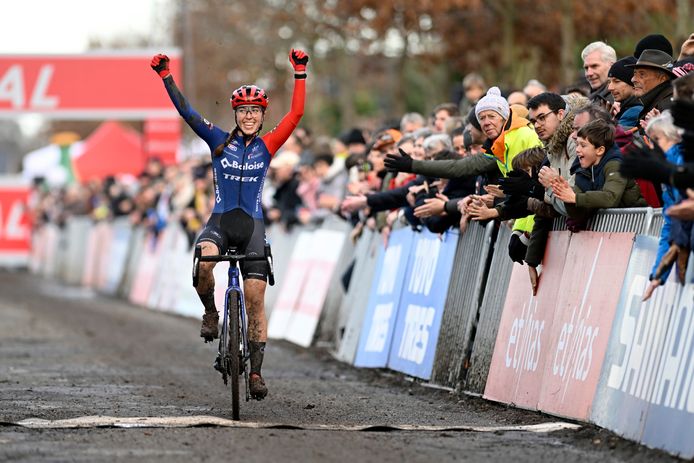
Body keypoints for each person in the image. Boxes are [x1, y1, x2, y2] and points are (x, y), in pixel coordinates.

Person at [150, 48, 309, 400]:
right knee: (205, 259)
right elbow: (186, 112)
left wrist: (300, 72)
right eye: (243, 111)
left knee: (255, 299)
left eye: (254, 111)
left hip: (251, 227)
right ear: (235, 114)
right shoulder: (218, 140)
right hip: (220, 223)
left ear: (262, 115)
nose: (249, 116)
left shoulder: (269, 145)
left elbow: (296, 113)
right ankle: (210, 312)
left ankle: (255, 372)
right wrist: (166, 76)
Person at [551, 119, 646, 220]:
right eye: (577, 144)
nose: (577, 150)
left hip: (636, 224)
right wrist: (568, 198)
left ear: (600, 150)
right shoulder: (583, 171)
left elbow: (611, 197)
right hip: (613, 229)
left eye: (583, 145)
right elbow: (580, 214)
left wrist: (575, 198)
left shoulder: (615, 165)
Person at [628, 49, 676, 127]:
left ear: (662, 78)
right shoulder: (659, 100)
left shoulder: (667, 107)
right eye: (634, 73)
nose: (633, 79)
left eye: (642, 74)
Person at [607, 57, 643, 128]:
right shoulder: (625, 107)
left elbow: (609, 137)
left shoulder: (634, 111)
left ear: (633, 83)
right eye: (609, 82)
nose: (610, 88)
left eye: (616, 81)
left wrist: (609, 120)